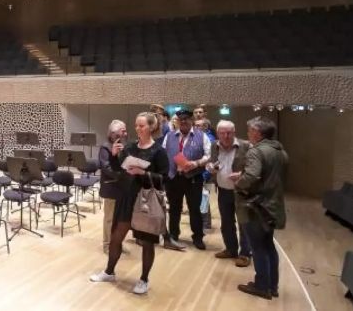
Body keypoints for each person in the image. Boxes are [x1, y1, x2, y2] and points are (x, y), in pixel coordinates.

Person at [89, 112, 169, 295]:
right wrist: (114, 156)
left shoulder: (159, 151)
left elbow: (164, 178)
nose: (137, 129)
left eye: (141, 126)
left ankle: (144, 279)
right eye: (136, 125)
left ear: (151, 128)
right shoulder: (131, 147)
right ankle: (109, 272)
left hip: (146, 200)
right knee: (116, 237)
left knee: (147, 243)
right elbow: (118, 170)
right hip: (127, 197)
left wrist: (143, 173)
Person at [232, 116, 288, 300]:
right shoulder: (280, 151)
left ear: (257, 133)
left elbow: (253, 176)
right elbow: (269, 176)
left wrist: (239, 182)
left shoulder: (255, 152)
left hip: (256, 207)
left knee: (258, 248)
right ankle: (273, 286)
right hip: (273, 206)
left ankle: (262, 286)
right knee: (269, 245)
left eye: (250, 131)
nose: (248, 134)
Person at [161, 109, 211, 250]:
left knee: (195, 209)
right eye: (180, 120)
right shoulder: (169, 136)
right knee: (174, 209)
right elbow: (164, 153)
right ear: (177, 121)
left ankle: (198, 237)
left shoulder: (202, 136)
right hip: (173, 178)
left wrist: (195, 163)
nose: (183, 122)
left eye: (186, 120)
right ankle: (174, 236)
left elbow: (208, 155)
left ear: (192, 121)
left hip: (193, 178)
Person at [208, 120, 252, 267]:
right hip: (223, 190)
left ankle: (245, 254)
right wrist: (210, 167)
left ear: (234, 132)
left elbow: (254, 168)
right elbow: (211, 161)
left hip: (241, 192)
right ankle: (231, 249)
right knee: (226, 223)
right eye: (222, 133)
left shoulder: (246, 146)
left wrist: (241, 174)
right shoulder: (214, 145)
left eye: (229, 132)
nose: (226, 136)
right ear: (218, 133)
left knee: (244, 224)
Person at [98, 120, 128, 254]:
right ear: (114, 133)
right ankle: (107, 245)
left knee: (119, 219)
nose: (126, 133)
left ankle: (116, 243)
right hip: (110, 188)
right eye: (123, 131)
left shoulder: (123, 146)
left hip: (121, 187)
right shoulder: (105, 147)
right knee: (109, 218)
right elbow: (106, 168)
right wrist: (114, 156)